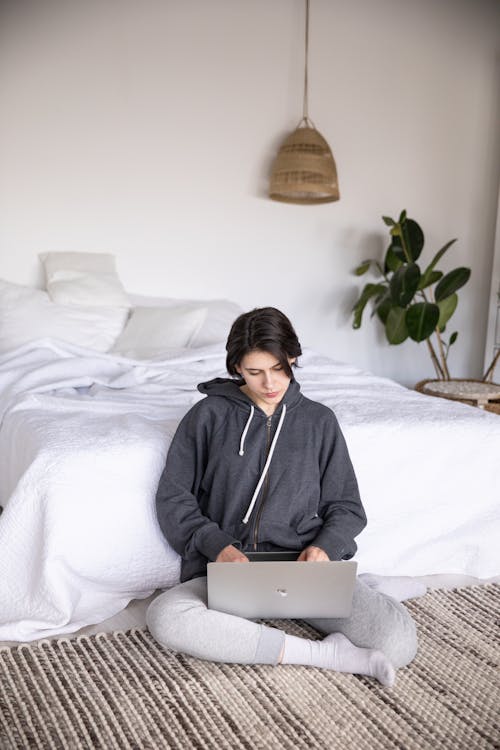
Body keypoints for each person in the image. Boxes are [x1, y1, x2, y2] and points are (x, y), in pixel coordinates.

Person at [147, 307, 421, 687]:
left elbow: (347, 506)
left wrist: (324, 548)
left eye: (278, 368)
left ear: (292, 357)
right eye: (254, 371)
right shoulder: (207, 416)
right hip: (228, 568)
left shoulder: (319, 421)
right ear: (237, 368)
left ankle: (369, 586)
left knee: (398, 642)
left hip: (302, 570)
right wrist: (218, 547)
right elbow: (174, 498)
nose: (270, 383)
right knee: (166, 618)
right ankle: (324, 655)